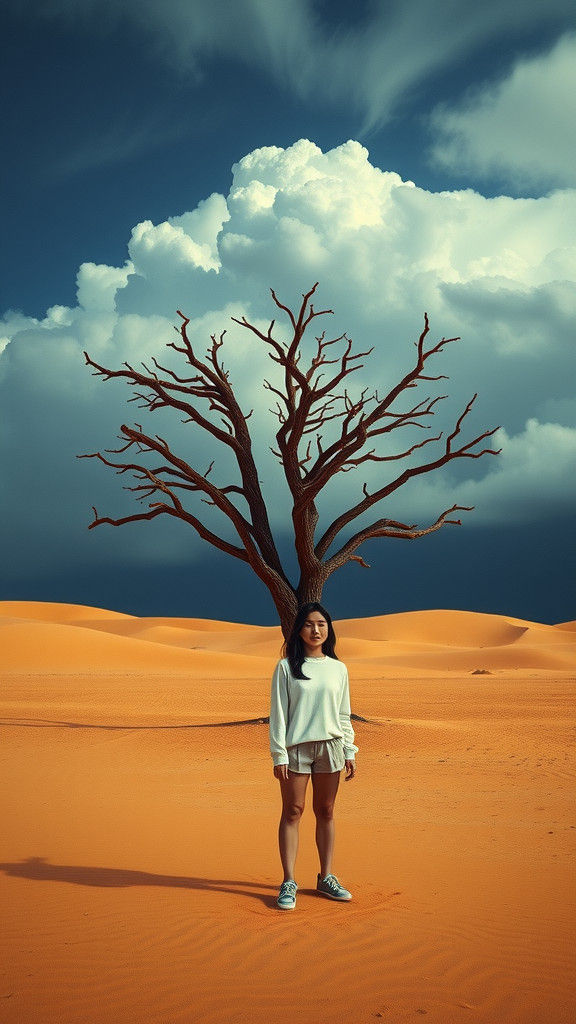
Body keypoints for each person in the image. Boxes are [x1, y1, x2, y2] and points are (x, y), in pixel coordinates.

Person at [269, 601, 358, 911]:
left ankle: (326, 877)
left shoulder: (338, 668)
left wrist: (349, 749)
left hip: (331, 746)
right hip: (296, 748)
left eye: (321, 624)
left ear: (329, 629)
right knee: (293, 811)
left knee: (326, 811)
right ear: (299, 630)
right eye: (309, 624)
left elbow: (344, 714)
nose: (316, 630)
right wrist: (279, 754)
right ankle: (288, 881)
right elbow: (278, 714)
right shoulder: (286, 667)